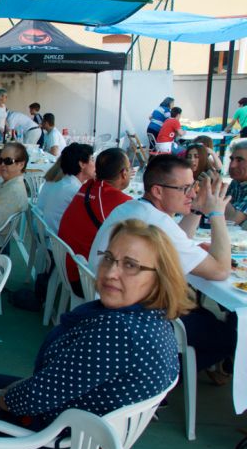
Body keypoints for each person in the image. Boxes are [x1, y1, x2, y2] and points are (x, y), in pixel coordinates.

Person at [0, 219, 191, 449]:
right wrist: (2, 394)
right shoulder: (155, 319)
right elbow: (58, 382)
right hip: (90, 438)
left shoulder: (119, 332)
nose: (111, 272)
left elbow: (38, 395)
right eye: (109, 258)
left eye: (130, 265)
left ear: (159, 278)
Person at [89, 155, 236, 375]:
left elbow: (174, 242)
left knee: (203, 315)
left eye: (193, 187)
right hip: (132, 317)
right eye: (185, 189)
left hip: (111, 304)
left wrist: (196, 209)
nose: (192, 194)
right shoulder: (157, 222)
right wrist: (216, 213)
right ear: (158, 191)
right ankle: (163, 373)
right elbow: (221, 271)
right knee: (231, 337)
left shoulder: (133, 208)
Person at [58, 148, 132, 293]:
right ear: (124, 173)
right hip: (83, 278)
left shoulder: (88, 186)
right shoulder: (123, 203)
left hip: (66, 265)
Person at [37, 143, 95, 232]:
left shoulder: (64, 183)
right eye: (92, 159)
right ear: (82, 164)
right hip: (56, 237)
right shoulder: (75, 190)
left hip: (47, 233)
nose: (95, 164)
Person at [225, 141, 247, 226]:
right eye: (231, 159)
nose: (232, 165)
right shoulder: (236, 182)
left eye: (239, 160)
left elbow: (232, 221)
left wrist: (217, 189)